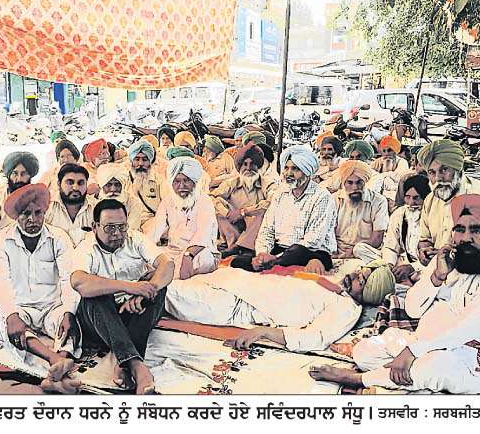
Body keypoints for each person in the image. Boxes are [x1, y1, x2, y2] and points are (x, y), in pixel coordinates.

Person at [310, 194, 480, 394]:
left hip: (475, 354)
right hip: (426, 342)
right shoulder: (451, 259)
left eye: (477, 231)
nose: (465, 238)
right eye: (460, 229)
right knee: (365, 352)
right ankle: (401, 373)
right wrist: (437, 276)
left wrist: (412, 352)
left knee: (434, 367)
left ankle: (358, 379)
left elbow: (469, 326)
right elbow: (413, 309)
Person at [166, 261, 395, 352]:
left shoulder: (346, 309)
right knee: (167, 281)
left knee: (163, 291)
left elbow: (315, 337)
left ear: (367, 293)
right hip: (236, 280)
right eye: (359, 271)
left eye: (360, 280)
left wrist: (263, 332)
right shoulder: (340, 286)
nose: (353, 275)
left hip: (235, 305)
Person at [69, 199, 175, 394]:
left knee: (158, 285)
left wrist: (147, 290)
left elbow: (167, 264)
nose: (117, 233)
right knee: (95, 293)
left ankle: (124, 361)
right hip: (100, 321)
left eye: (121, 226)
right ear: (95, 226)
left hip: (135, 312)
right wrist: (131, 287)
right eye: (109, 227)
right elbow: (79, 282)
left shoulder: (135, 239)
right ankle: (137, 366)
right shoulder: (86, 247)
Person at [0, 184, 82, 394]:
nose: (33, 219)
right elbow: (1, 281)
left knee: (72, 325)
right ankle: (56, 361)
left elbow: (68, 279)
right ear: (16, 216)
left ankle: (55, 374)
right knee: (2, 322)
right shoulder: (0, 240)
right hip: (19, 307)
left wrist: (68, 312)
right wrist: (12, 316)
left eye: (38, 213)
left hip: (53, 307)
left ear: (44, 212)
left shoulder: (59, 237)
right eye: (26, 214)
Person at [231, 145, 337, 274]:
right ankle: (269, 263)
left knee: (297, 252)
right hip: (280, 249)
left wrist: (276, 257)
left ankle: (273, 263)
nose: (288, 173)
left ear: (307, 171)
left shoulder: (322, 196)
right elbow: (267, 229)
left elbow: (314, 239)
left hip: (310, 251)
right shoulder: (280, 194)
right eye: (286, 168)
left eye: (295, 169)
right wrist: (262, 253)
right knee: (237, 261)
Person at [416, 139, 480, 265]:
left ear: (458, 169)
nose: (438, 178)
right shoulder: (430, 200)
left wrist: (458, 256)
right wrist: (424, 250)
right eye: (432, 172)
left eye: (444, 170)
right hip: (438, 269)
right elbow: (425, 239)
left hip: (478, 272)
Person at [148, 157, 219, 280]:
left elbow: (204, 234)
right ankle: (165, 274)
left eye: (186, 181)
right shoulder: (168, 201)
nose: (181, 186)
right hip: (173, 252)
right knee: (147, 260)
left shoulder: (204, 201)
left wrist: (188, 255)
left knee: (201, 260)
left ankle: (164, 275)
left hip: (198, 253)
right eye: (176, 181)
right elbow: (155, 231)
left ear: (194, 182)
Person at [355, 175, 431, 283]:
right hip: (402, 261)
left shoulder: (433, 216)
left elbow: (436, 255)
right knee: (359, 248)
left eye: (416, 198)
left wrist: (412, 267)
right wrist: (389, 265)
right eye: (407, 197)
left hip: (423, 267)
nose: (411, 203)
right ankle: (387, 273)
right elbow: (391, 247)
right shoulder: (399, 213)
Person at [212, 142, 276, 258]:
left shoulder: (268, 183)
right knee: (218, 205)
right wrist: (228, 213)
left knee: (264, 213)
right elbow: (211, 197)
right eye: (245, 164)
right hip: (234, 225)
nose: (248, 168)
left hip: (254, 229)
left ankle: (241, 247)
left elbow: (273, 202)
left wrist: (244, 212)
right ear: (239, 167)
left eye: (252, 164)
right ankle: (234, 245)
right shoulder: (231, 183)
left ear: (258, 166)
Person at [334, 160, 389, 259]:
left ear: (365, 182)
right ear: (343, 183)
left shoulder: (379, 201)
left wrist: (352, 251)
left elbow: (377, 239)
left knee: (359, 250)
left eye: (359, 182)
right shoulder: (334, 199)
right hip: (337, 250)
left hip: (364, 251)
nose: (355, 187)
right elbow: (329, 232)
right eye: (350, 183)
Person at [0, 151, 39, 232]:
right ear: (9, 175)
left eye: (23, 174)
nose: (19, 179)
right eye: (15, 174)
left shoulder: (39, 196)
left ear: (30, 176)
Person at [45, 163, 94, 247]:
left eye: (81, 183)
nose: (75, 188)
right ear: (59, 184)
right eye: (70, 182)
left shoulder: (96, 208)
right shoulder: (46, 207)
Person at [126, 139, 164, 231]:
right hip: (127, 225)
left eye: (145, 160)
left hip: (152, 225)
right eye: (137, 159)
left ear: (151, 161)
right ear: (131, 160)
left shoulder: (159, 180)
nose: (141, 163)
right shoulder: (124, 180)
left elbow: (167, 206)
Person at [96, 163, 142, 231]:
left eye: (117, 184)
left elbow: (131, 229)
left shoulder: (134, 203)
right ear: (102, 185)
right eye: (109, 185)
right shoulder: (93, 202)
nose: (113, 189)